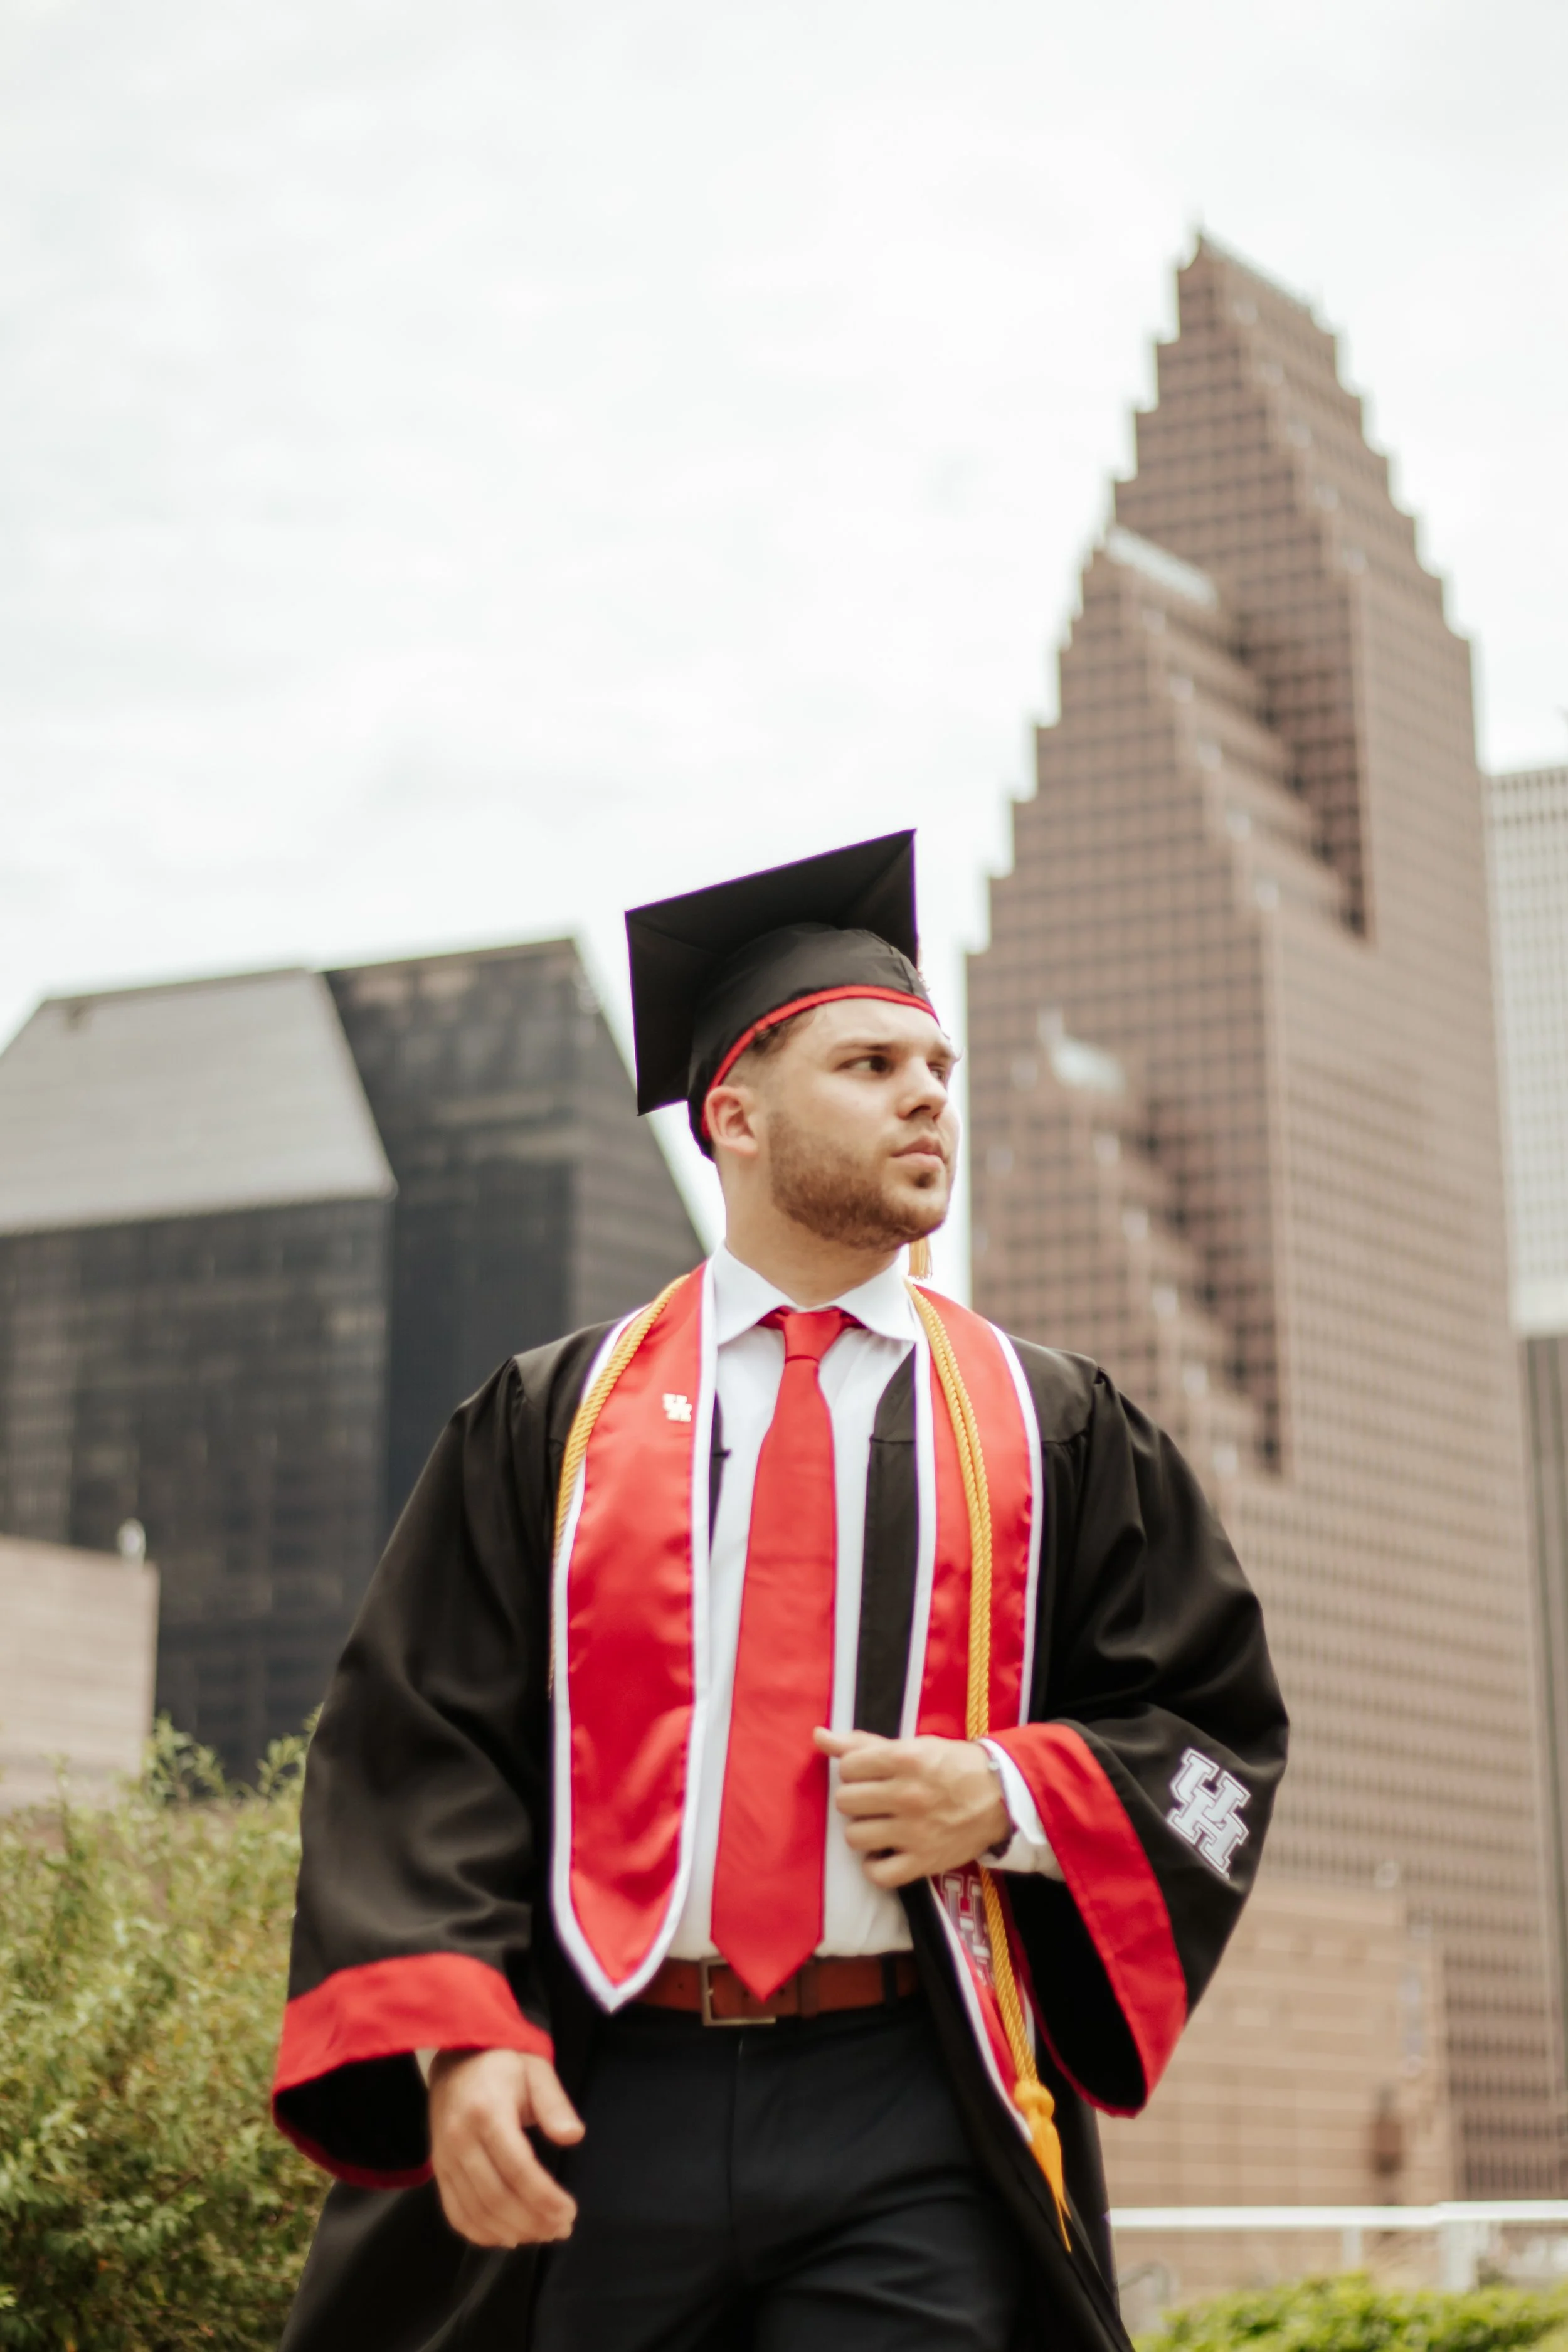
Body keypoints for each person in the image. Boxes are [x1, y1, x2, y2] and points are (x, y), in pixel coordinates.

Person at [272, 830, 1287, 2352]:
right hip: (608, 2083)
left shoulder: (1049, 1424)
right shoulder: (551, 1420)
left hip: (911, 2101)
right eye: (869, 1065)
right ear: (731, 1117)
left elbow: (1206, 1719)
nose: (926, 1093)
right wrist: (458, 2040)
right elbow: (419, 1740)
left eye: (934, 1065)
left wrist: (1009, 1794)